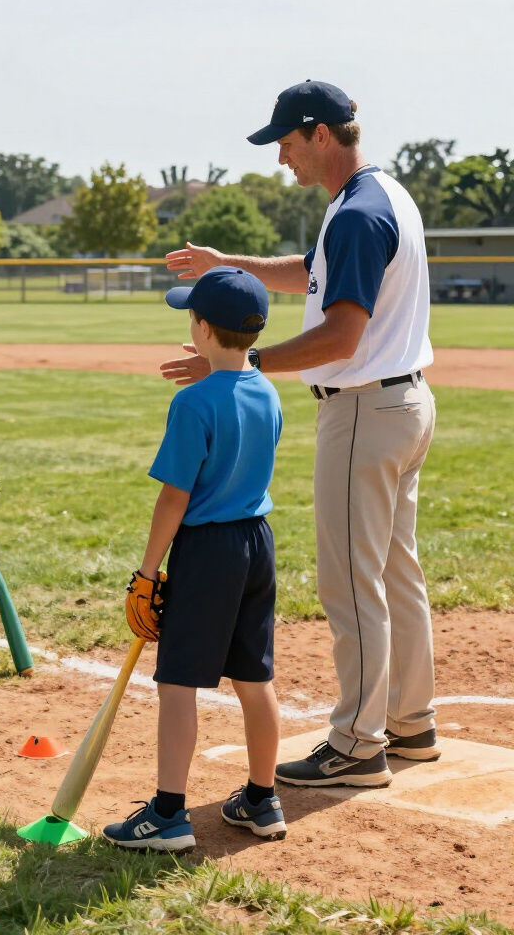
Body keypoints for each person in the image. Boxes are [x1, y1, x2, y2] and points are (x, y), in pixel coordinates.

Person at [164, 80, 436, 788]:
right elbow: (313, 276)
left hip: (365, 412)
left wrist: (242, 361)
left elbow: (342, 335)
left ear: (320, 133)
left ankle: (358, 745)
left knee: (351, 582)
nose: (281, 157)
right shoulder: (379, 197)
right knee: (396, 571)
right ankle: (411, 722)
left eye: (286, 142)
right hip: (403, 404)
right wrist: (229, 264)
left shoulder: (356, 213)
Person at [103, 268, 285, 851]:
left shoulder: (193, 402)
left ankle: (168, 814)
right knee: (254, 677)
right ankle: (262, 799)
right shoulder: (268, 391)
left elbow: (174, 497)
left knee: (179, 682)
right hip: (257, 543)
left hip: (208, 551)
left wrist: (147, 572)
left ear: (203, 329)